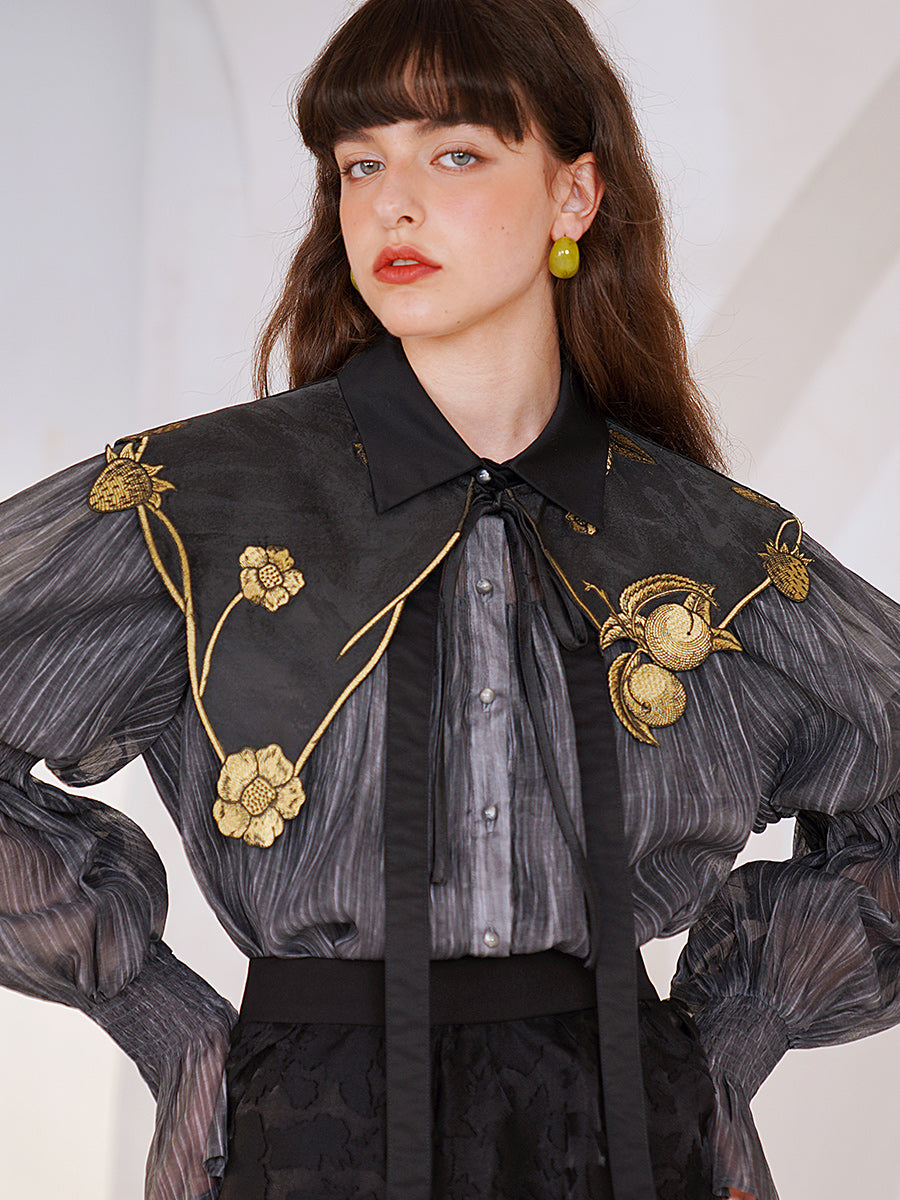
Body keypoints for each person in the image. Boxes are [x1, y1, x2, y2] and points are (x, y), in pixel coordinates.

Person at [1, 1, 899, 1199]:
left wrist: (726, 1052)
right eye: (361, 164)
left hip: (632, 1151)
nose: (394, 204)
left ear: (574, 196)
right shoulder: (197, 506)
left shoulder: (708, 544)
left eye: (456, 154)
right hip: (306, 1147)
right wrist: (163, 1021)